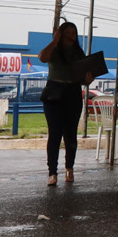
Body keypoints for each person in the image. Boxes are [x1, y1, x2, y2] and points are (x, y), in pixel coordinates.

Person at [37, 22, 97, 186]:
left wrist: (88, 80)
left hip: (73, 92)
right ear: (60, 34)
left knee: (70, 134)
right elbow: (42, 57)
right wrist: (55, 41)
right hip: (54, 92)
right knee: (55, 133)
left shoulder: (78, 52)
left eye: (74, 32)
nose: (71, 35)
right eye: (68, 32)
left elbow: (83, 76)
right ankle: (52, 172)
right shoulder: (53, 50)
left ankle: (69, 168)